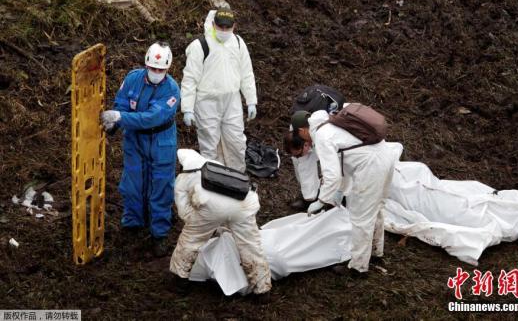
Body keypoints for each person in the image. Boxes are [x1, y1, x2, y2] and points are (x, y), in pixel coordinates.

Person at [290, 109, 396, 274]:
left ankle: (358, 267)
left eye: (300, 135)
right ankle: (376, 251)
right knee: (377, 208)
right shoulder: (332, 122)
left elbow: (332, 175)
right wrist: (339, 192)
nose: (304, 140)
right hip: (386, 155)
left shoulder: (322, 136)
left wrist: (322, 201)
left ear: (303, 130)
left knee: (361, 218)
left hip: (371, 165)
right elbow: (344, 163)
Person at [100, 42, 180, 257]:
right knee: (132, 183)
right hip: (135, 139)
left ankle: (159, 233)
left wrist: (121, 118)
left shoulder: (171, 90)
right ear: (146, 65)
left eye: (160, 70)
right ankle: (133, 223)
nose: (156, 73)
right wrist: (114, 122)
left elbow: (152, 117)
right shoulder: (133, 78)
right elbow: (122, 102)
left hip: (161, 140)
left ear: (167, 69)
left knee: (161, 186)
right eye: (152, 68)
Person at [170, 149, 272, 295]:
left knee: (189, 241)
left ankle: (180, 282)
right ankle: (263, 289)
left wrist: (202, 226)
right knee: (251, 246)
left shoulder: (183, 178)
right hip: (245, 203)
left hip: (211, 207)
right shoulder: (214, 164)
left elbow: (184, 212)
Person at [180, 7, 257, 172]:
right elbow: (190, 79)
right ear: (213, 24)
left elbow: (246, 73)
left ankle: (237, 177)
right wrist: (187, 108)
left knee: (236, 141)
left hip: (232, 100)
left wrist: (251, 100)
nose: (223, 31)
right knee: (210, 145)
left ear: (233, 26)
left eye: (227, 28)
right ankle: (214, 182)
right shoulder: (200, 45)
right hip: (206, 101)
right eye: (220, 27)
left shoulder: (237, 43)